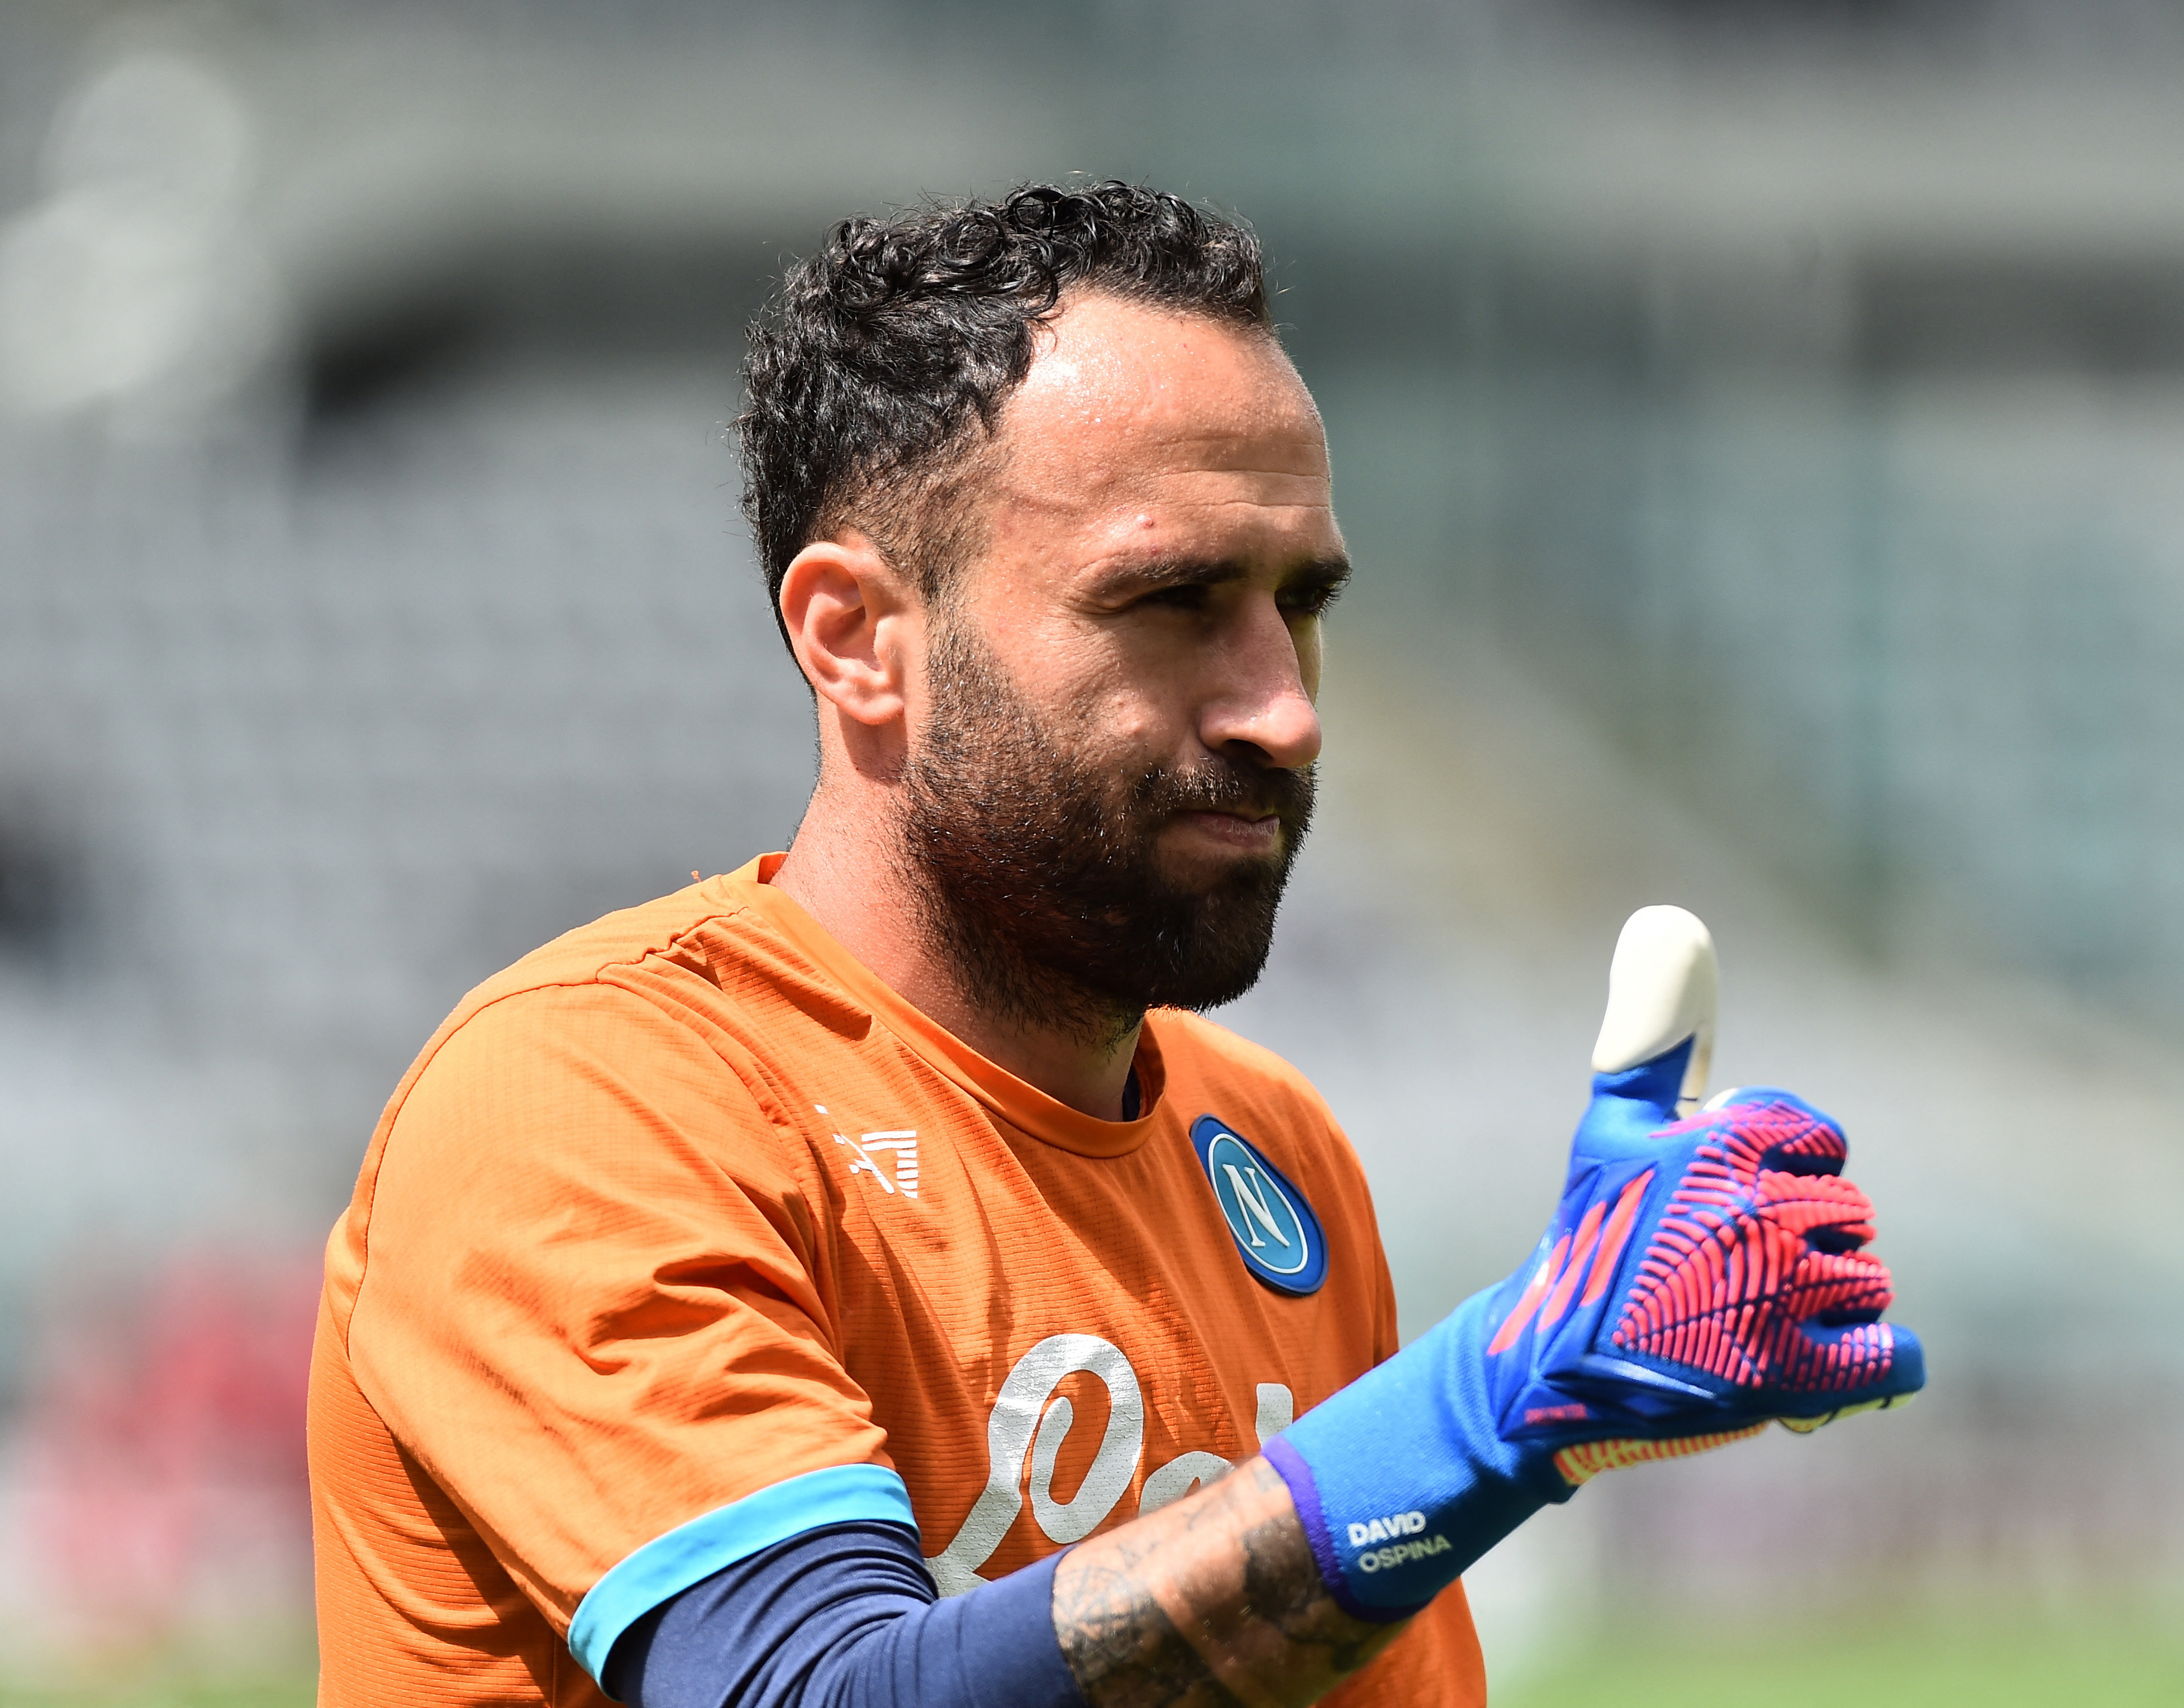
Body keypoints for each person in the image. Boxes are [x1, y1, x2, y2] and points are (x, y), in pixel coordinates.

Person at [307, 182, 1920, 1708]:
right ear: (858, 639)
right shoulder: (591, 1102)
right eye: (1170, 602)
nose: (1284, 711)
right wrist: (1481, 1418)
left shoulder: (1276, 1154)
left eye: (1301, 607)